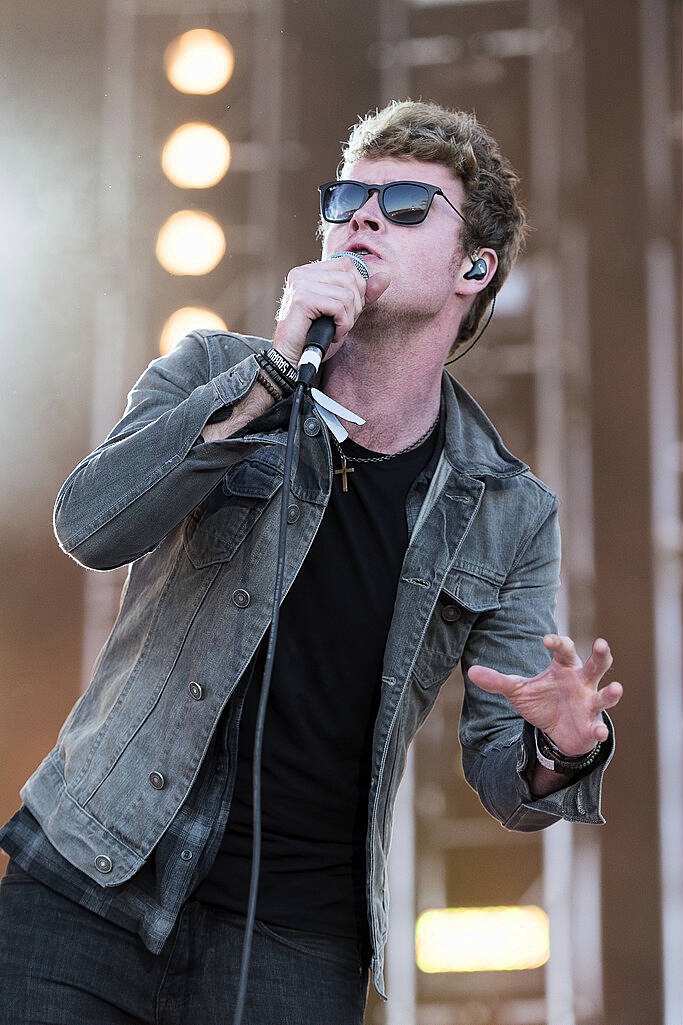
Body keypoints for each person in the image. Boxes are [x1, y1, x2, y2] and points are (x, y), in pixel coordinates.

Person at [0, 99, 622, 1025]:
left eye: (406, 204)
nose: (361, 215)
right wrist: (268, 376)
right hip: (87, 884)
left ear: (473, 268)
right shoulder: (213, 368)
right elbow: (91, 527)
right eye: (346, 198)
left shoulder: (508, 511)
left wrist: (562, 748)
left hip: (293, 945)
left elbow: (507, 780)